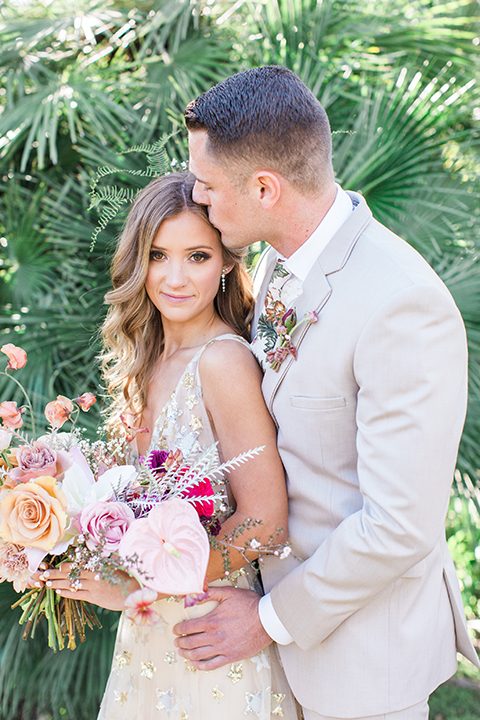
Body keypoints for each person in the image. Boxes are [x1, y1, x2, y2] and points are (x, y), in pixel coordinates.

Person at [172, 66, 480, 720]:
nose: (197, 197)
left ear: (265, 188)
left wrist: (268, 619)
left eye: (207, 183)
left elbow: (399, 527)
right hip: (273, 658)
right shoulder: (281, 262)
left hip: (363, 667)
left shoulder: (402, 304)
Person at [39, 172, 299, 720]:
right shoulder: (146, 362)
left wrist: (136, 580)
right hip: (150, 636)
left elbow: (267, 521)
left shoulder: (223, 362)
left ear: (228, 261)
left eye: (198, 256)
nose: (175, 277)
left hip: (212, 641)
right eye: (158, 255)